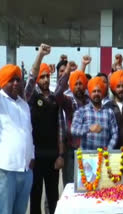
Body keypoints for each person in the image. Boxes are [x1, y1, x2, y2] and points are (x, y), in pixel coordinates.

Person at [24, 44, 64, 214]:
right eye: (43, 77)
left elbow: (60, 129)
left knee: (54, 199)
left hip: (53, 158)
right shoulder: (30, 96)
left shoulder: (55, 99)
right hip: (35, 159)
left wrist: (61, 155)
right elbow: (31, 79)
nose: (46, 80)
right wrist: (40, 55)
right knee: (35, 199)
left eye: (48, 76)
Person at [0, 64, 34, 214]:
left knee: (20, 211)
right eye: (11, 80)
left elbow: (28, 132)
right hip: (7, 170)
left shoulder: (24, 104)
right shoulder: (1, 101)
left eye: (18, 80)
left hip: (26, 169)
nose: (15, 83)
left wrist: (32, 156)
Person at [55, 60, 90, 186]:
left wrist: (83, 66)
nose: (79, 86)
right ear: (71, 86)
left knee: (87, 187)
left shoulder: (90, 101)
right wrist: (68, 71)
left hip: (88, 151)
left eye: (81, 84)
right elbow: (58, 94)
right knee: (70, 187)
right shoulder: (68, 102)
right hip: (71, 150)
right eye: (76, 84)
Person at [71, 76, 118, 150]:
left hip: (104, 157)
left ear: (102, 93)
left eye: (99, 91)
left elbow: (115, 134)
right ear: (89, 93)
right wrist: (89, 128)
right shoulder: (82, 111)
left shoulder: (109, 112)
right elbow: (73, 130)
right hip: (86, 157)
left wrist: (108, 150)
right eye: (94, 91)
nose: (96, 94)